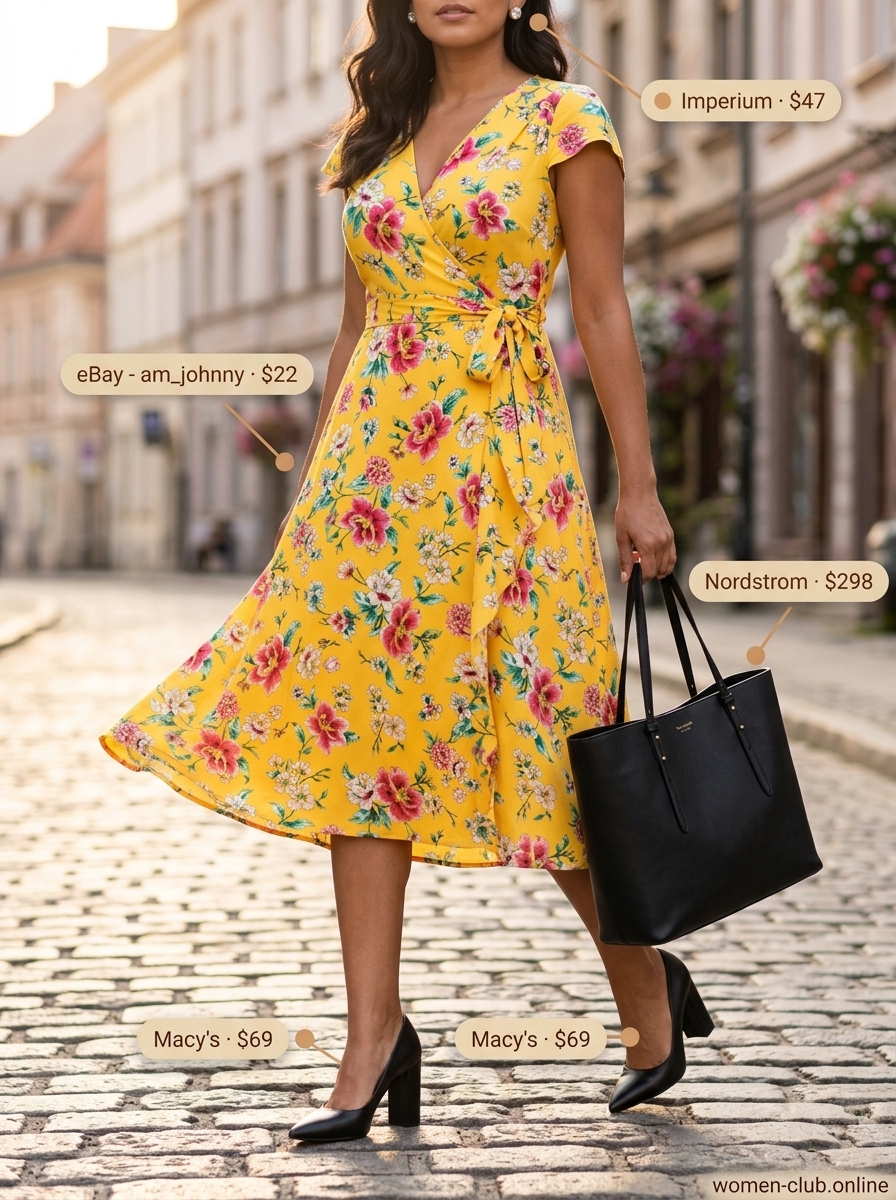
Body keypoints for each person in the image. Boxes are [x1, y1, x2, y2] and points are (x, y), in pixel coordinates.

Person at [100, 0, 713, 1141]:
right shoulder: (371, 134)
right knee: (358, 742)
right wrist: (318, 487)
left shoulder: (565, 121)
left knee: (551, 749)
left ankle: (644, 994)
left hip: (507, 474)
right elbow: (353, 328)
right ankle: (371, 1037)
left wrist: (637, 485)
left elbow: (599, 305)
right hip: (369, 489)